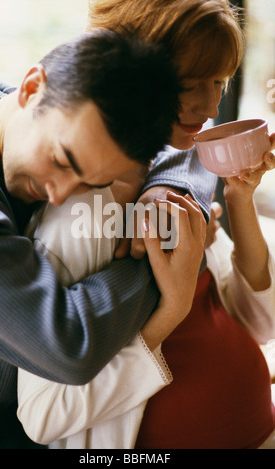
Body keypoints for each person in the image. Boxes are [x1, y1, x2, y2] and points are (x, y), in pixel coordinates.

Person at [16, 0, 275, 449]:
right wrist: (169, 309)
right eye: (192, 84)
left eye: (220, 81)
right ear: (135, 70)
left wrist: (240, 199)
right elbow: (42, 414)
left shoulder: (181, 180)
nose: (212, 104)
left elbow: (258, 322)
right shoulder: (78, 217)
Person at [0, 29, 215, 449]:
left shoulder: (42, 109)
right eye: (62, 161)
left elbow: (188, 145)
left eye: (91, 183)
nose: (60, 195)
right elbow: (69, 345)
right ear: (33, 89)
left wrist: (173, 192)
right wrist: (172, 255)